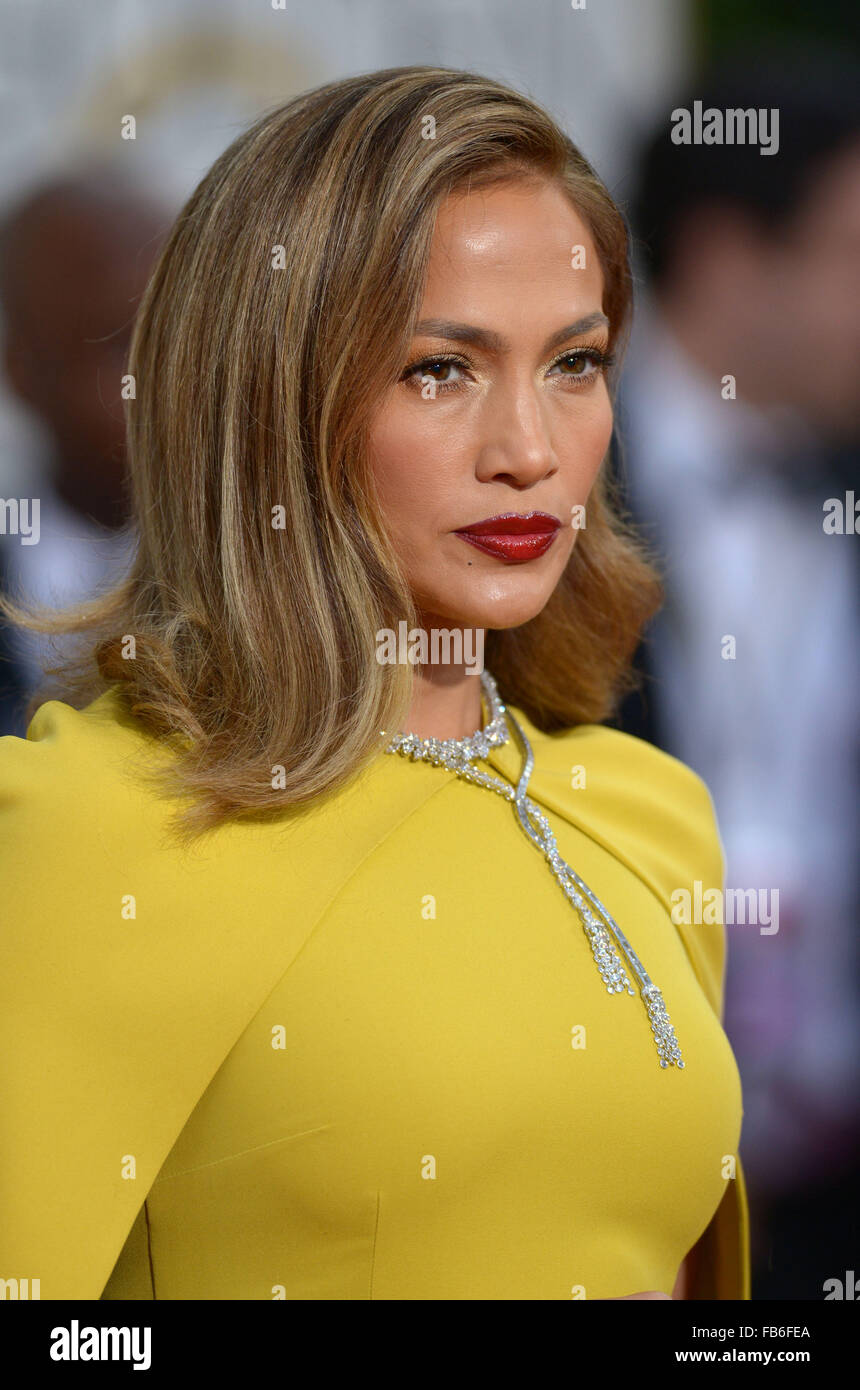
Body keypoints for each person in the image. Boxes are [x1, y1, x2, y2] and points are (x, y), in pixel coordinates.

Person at [0, 65, 749, 1301]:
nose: (527, 450)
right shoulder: (87, 827)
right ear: (270, 401)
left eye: (574, 363)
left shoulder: (647, 811)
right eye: (438, 370)